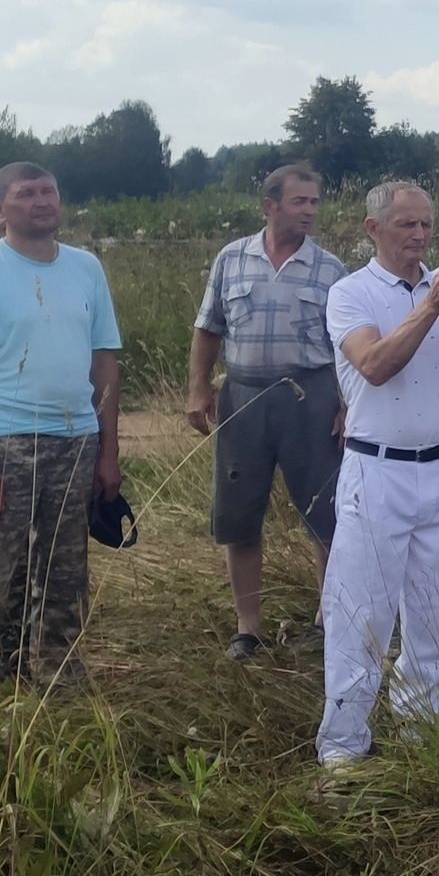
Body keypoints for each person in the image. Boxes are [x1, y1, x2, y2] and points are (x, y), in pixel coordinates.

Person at [317, 182, 439, 770]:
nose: (420, 236)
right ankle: (344, 744)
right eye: (406, 226)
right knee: (361, 607)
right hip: (378, 467)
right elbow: (374, 365)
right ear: (373, 229)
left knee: (436, 603)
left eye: (427, 225)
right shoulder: (351, 293)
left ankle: (422, 722)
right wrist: (428, 306)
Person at [0, 164, 123, 688]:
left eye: (49, 192)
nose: (41, 201)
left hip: (75, 441)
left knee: (64, 579)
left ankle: (58, 682)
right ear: (0, 208)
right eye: (26, 194)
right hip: (3, 446)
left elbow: (104, 360)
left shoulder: (87, 269)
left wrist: (108, 452)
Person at [184, 164, 350, 661]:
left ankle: (328, 620)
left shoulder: (330, 269)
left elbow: (347, 344)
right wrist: (198, 389)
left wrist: (347, 402)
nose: (310, 211)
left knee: (328, 513)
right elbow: (208, 328)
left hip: (312, 397)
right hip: (245, 398)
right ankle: (247, 629)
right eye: (301, 202)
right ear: (270, 205)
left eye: (316, 202)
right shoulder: (231, 259)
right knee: (239, 516)